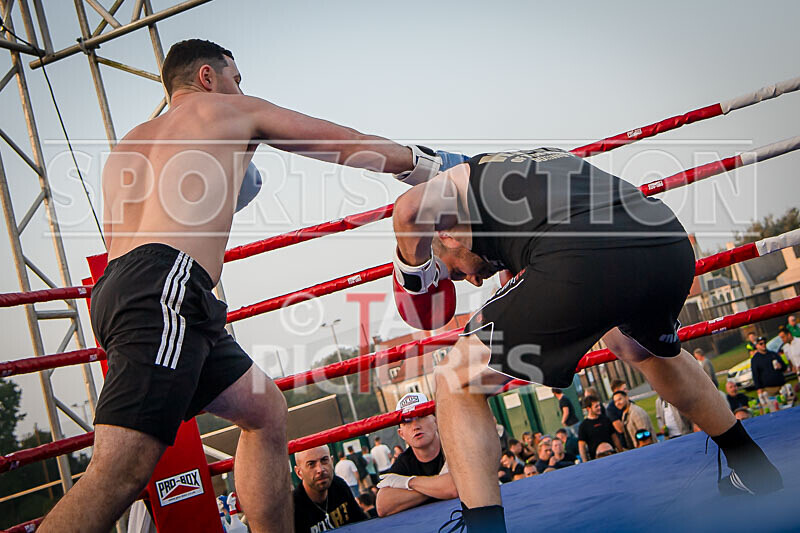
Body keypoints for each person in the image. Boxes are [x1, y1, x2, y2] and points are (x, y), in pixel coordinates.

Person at [39, 39, 471, 533]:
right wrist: (432, 165)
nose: (241, 88)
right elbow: (342, 142)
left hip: (129, 290)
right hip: (168, 289)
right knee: (118, 472)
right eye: (236, 78)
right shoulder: (226, 110)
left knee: (264, 410)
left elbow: (128, 240)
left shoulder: (129, 145)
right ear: (207, 77)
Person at [391, 148, 782, 530]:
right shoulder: (523, 171)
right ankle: (752, 465)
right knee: (639, 347)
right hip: (665, 239)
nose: (473, 280)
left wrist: (411, 270)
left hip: (581, 257)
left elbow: (402, 200)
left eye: (457, 273)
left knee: (455, 379)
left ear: (449, 236)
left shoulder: (457, 198)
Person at [375, 393, 458, 517]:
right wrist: (439, 487)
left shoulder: (454, 445)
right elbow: (383, 506)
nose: (415, 426)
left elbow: (452, 488)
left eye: (421, 416)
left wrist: (408, 482)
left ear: (436, 420)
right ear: (401, 434)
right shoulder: (404, 460)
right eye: (407, 421)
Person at [293, 445, 367, 532]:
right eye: (311, 464)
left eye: (324, 460)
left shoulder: (339, 485)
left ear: (332, 462)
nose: (320, 469)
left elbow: (362, 522)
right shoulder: (292, 508)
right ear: (299, 473)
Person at [577, 396, 621, 462]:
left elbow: (615, 438)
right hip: (596, 459)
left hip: (612, 455)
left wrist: (621, 452)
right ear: (589, 408)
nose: (599, 408)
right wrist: (585, 462)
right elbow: (581, 446)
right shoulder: (584, 426)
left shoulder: (605, 420)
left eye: (599, 405)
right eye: (596, 406)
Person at [604, 380, 629, 446]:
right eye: (624, 389)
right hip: (625, 443)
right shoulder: (611, 409)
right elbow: (620, 429)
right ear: (616, 390)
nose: (627, 391)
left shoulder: (630, 403)